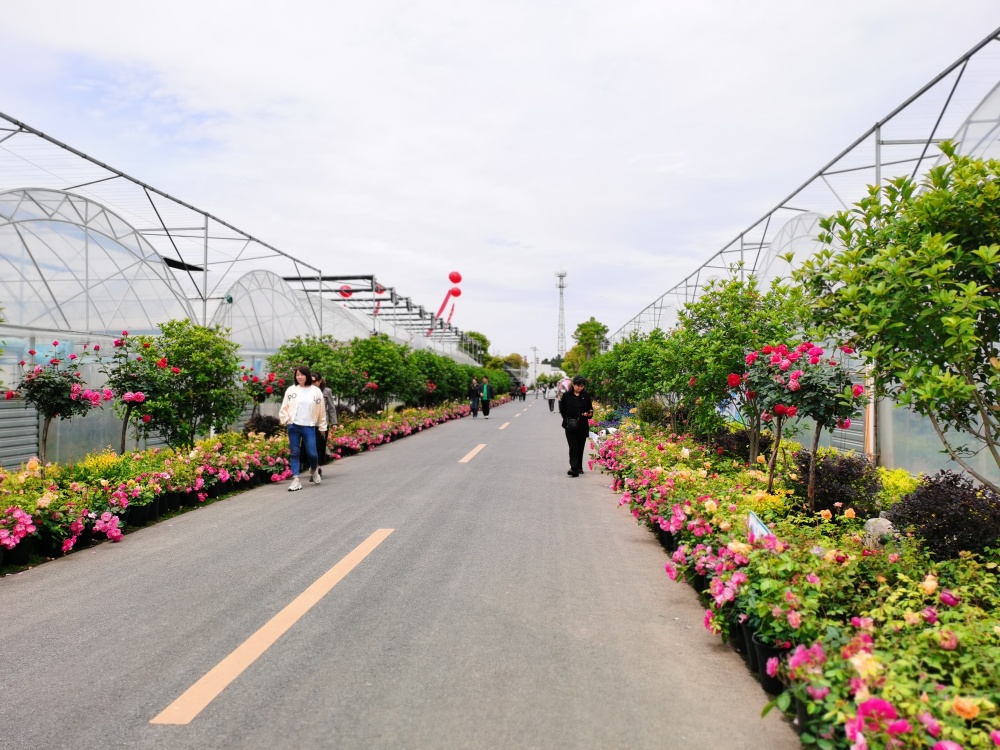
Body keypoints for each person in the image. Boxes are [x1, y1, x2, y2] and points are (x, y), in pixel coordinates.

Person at [278, 366, 328, 491]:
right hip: (293, 426)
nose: (299, 377)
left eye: (301, 374)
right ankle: (296, 479)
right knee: (295, 452)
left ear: (307, 375)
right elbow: (284, 407)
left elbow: (321, 410)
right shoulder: (291, 390)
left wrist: (322, 426)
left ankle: (313, 469)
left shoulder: (316, 391)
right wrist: (286, 420)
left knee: (312, 452)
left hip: (309, 426)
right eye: (297, 375)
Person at [559, 375, 593, 477]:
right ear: (573, 385)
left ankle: (579, 467)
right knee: (573, 446)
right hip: (570, 425)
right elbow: (562, 409)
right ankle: (574, 468)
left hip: (582, 425)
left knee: (580, 446)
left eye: (582, 386)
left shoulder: (586, 396)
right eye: (578, 386)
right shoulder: (566, 396)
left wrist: (589, 414)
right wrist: (567, 419)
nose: (580, 388)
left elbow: (590, 409)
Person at [313, 374, 338, 479]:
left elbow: (331, 408)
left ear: (320, 381)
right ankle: (313, 467)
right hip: (310, 423)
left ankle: (317, 468)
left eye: (314, 381)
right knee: (311, 446)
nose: (313, 383)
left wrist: (334, 423)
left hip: (323, 423)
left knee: (320, 446)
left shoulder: (326, 391)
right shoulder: (306, 391)